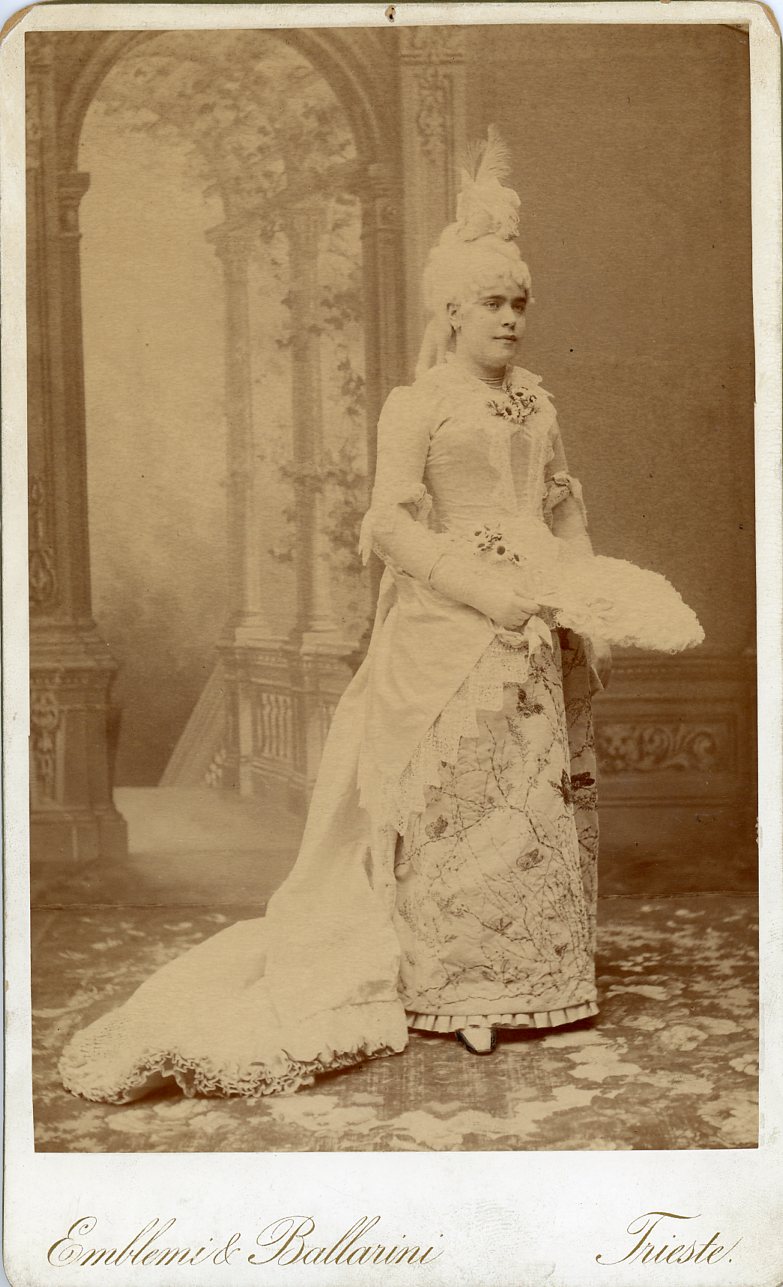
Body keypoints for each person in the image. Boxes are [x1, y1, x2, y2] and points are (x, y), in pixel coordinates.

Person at [59, 128, 703, 1102]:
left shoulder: (538, 403)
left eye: (520, 302)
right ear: (451, 311)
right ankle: (457, 988)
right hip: (448, 627)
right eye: (492, 303)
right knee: (459, 806)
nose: (511, 318)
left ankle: (542, 980)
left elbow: (561, 504)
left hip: (540, 628)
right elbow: (390, 523)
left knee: (536, 801)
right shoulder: (420, 403)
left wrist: (586, 600)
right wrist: (481, 589)